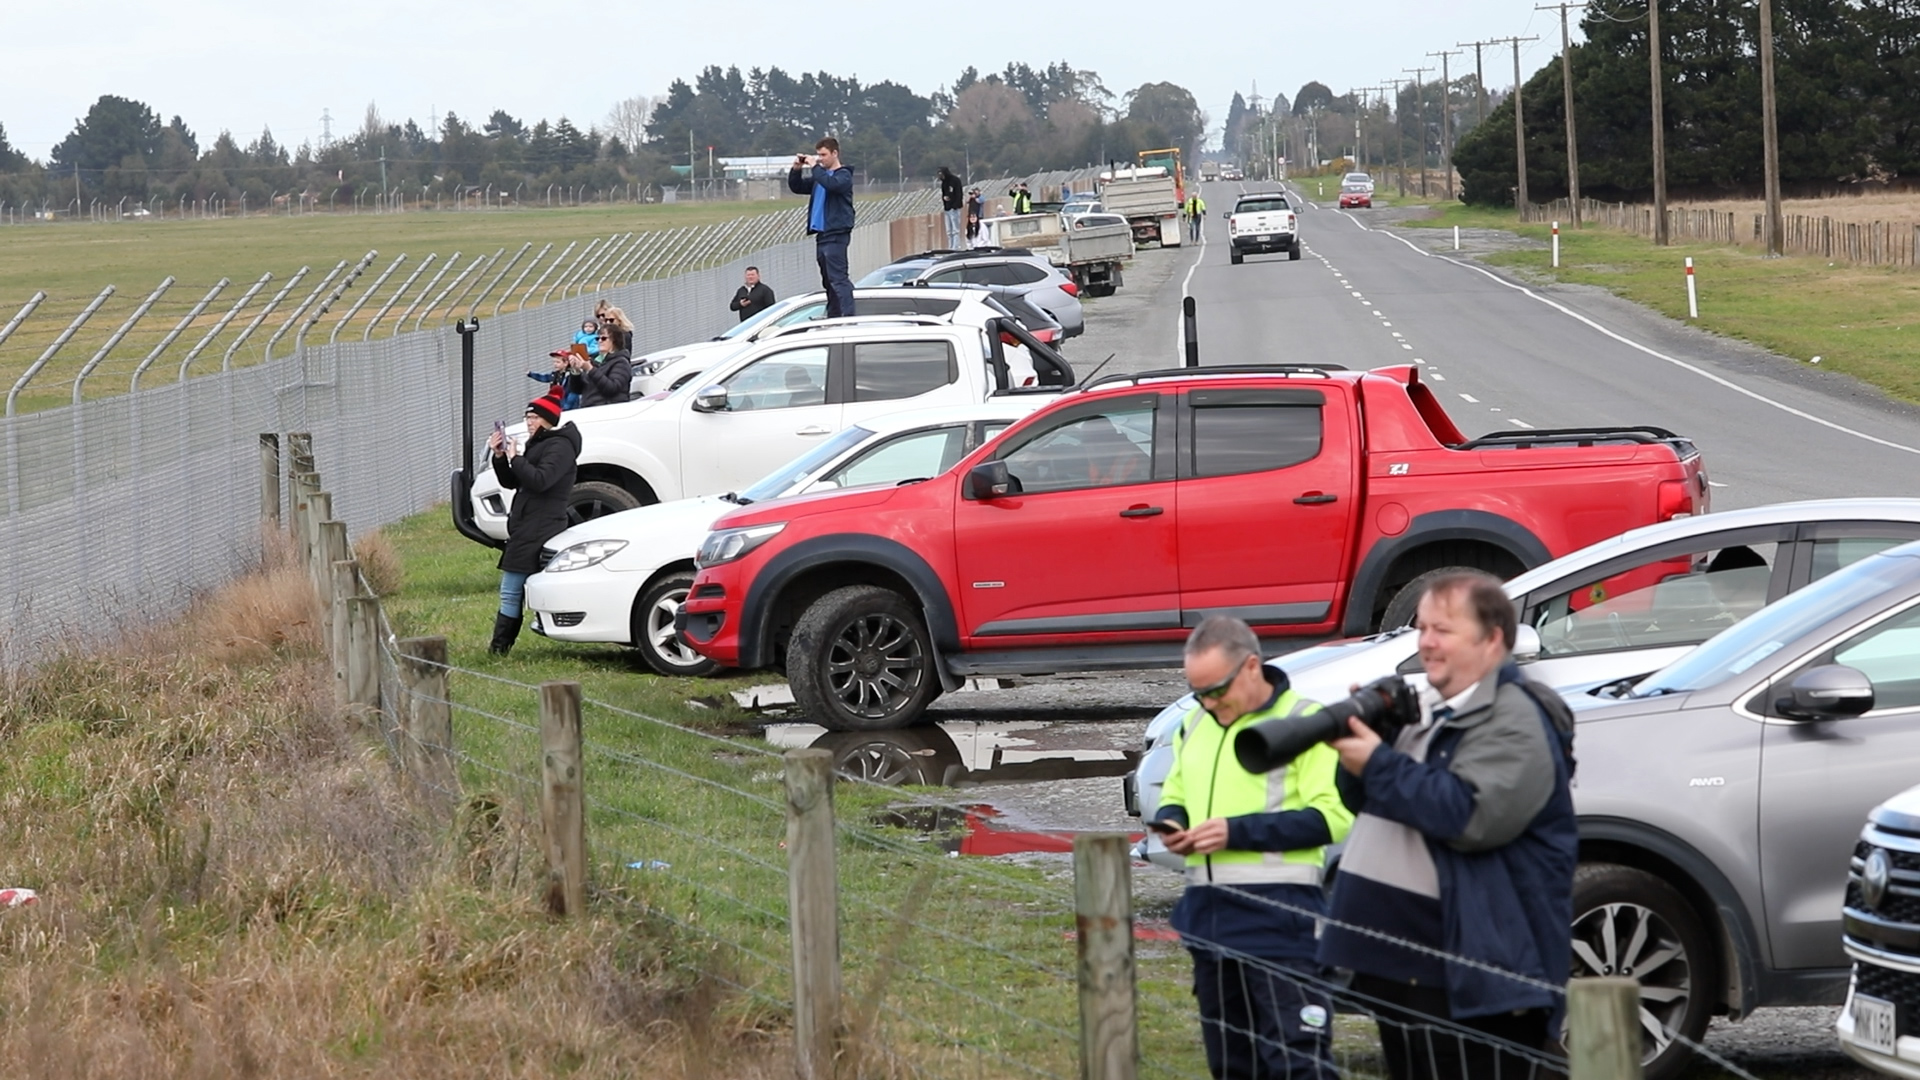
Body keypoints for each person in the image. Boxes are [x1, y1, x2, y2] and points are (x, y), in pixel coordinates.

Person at [1318, 571, 1578, 1080]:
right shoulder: (1436, 712)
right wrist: (1370, 743)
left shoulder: (1517, 718)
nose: (1427, 643)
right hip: (1411, 968)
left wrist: (1376, 761)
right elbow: (1366, 802)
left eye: (1444, 630)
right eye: (1422, 629)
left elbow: (1469, 817)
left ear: (1492, 639)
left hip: (1473, 980)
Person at [1155, 616, 1353, 1080]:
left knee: (1294, 1062)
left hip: (1278, 918)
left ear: (1250, 667)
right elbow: (1176, 791)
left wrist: (1235, 833)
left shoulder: (1305, 723)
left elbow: (1334, 818)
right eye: (1197, 691)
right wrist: (1174, 824)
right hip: (1208, 917)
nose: (1208, 703)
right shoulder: (1193, 724)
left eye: (1216, 690)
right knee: (1230, 1064)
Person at [485, 396, 581, 655]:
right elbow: (514, 482)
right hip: (527, 525)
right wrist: (500, 457)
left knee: (510, 590)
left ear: (548, 420)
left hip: (541, 526)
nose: (529, 423)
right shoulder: (541, 444)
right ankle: (500, 648)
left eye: (534, 418)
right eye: (527, 417)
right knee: (514, 590)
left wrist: (517, 459)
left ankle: (498, 649)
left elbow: (540, 480)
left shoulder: (560, 447)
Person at [789, 136, 856, 318]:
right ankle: (833, 315)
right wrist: (796, 169)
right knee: (828, 281)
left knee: (838, 278)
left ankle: (848, 316)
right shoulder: (820, 178)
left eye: (824, 155)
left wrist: (814, 166)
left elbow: (832, 185)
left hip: (836, 233)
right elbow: (797, 187)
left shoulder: (843, 175)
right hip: (822, 234)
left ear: (835, 153)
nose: (820, 159)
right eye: (818, 155)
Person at [566, 322, 631, 407]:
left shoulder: (621, 362)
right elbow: (577, 390)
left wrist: (590, 369)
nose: (599, 341)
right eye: (597, 338)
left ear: (614, 341)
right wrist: (576, 371)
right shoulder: (594, 361)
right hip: (589, 409)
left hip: (609, 411)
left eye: (603, 338)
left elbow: (612, 388)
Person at [938, 166, 964, 249]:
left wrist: (955, 205)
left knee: (955, 230)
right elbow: (944, 194)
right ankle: (950, 246)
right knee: (949, 231)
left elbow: (959, 194)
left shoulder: (955, 181)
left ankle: (955, 246)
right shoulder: (944, 183)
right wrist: (944, 199)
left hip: (954, 208)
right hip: (947, 209)